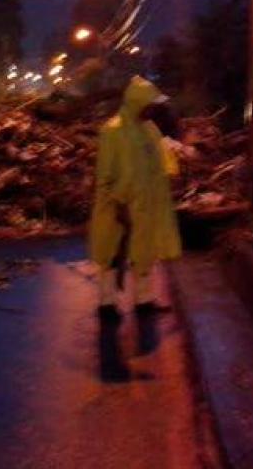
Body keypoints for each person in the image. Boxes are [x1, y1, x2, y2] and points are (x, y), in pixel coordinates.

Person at [89, 75, 182, 321]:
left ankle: (144, 301)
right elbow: (105, 175)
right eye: (150, 104)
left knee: (144, 254)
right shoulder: (112, 131)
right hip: (118, 208)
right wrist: (119, 204)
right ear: (138, 103)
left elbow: (157, 164)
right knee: (111, 256)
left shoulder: (150, 130)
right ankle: (107, 305)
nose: (154, 109)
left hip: (145, 207)